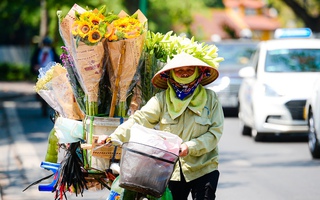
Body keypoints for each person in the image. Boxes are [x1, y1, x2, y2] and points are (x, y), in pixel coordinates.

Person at [99, 52, 224, 200]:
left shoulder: (211, 99)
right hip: (171, 170)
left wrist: (190, 146)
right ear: (171, 75)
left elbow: (214, 133)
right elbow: (139, 120)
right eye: (179, 70)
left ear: (198, 72)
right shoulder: (161, 100)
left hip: (204, 168)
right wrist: (113, 137)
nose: (184, 74)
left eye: (189, 70)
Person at [30, 36, 60, 116]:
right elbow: (33, 61)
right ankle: (41, 103)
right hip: (40, 74)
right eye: (45, 44)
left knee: (51, 92)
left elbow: (58, 62)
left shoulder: (52, 52)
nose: (46, 46)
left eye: (48, 45)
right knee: (40, 91)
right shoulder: (38, 51)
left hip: (50, 75)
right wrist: (35, 66)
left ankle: (49, 106)